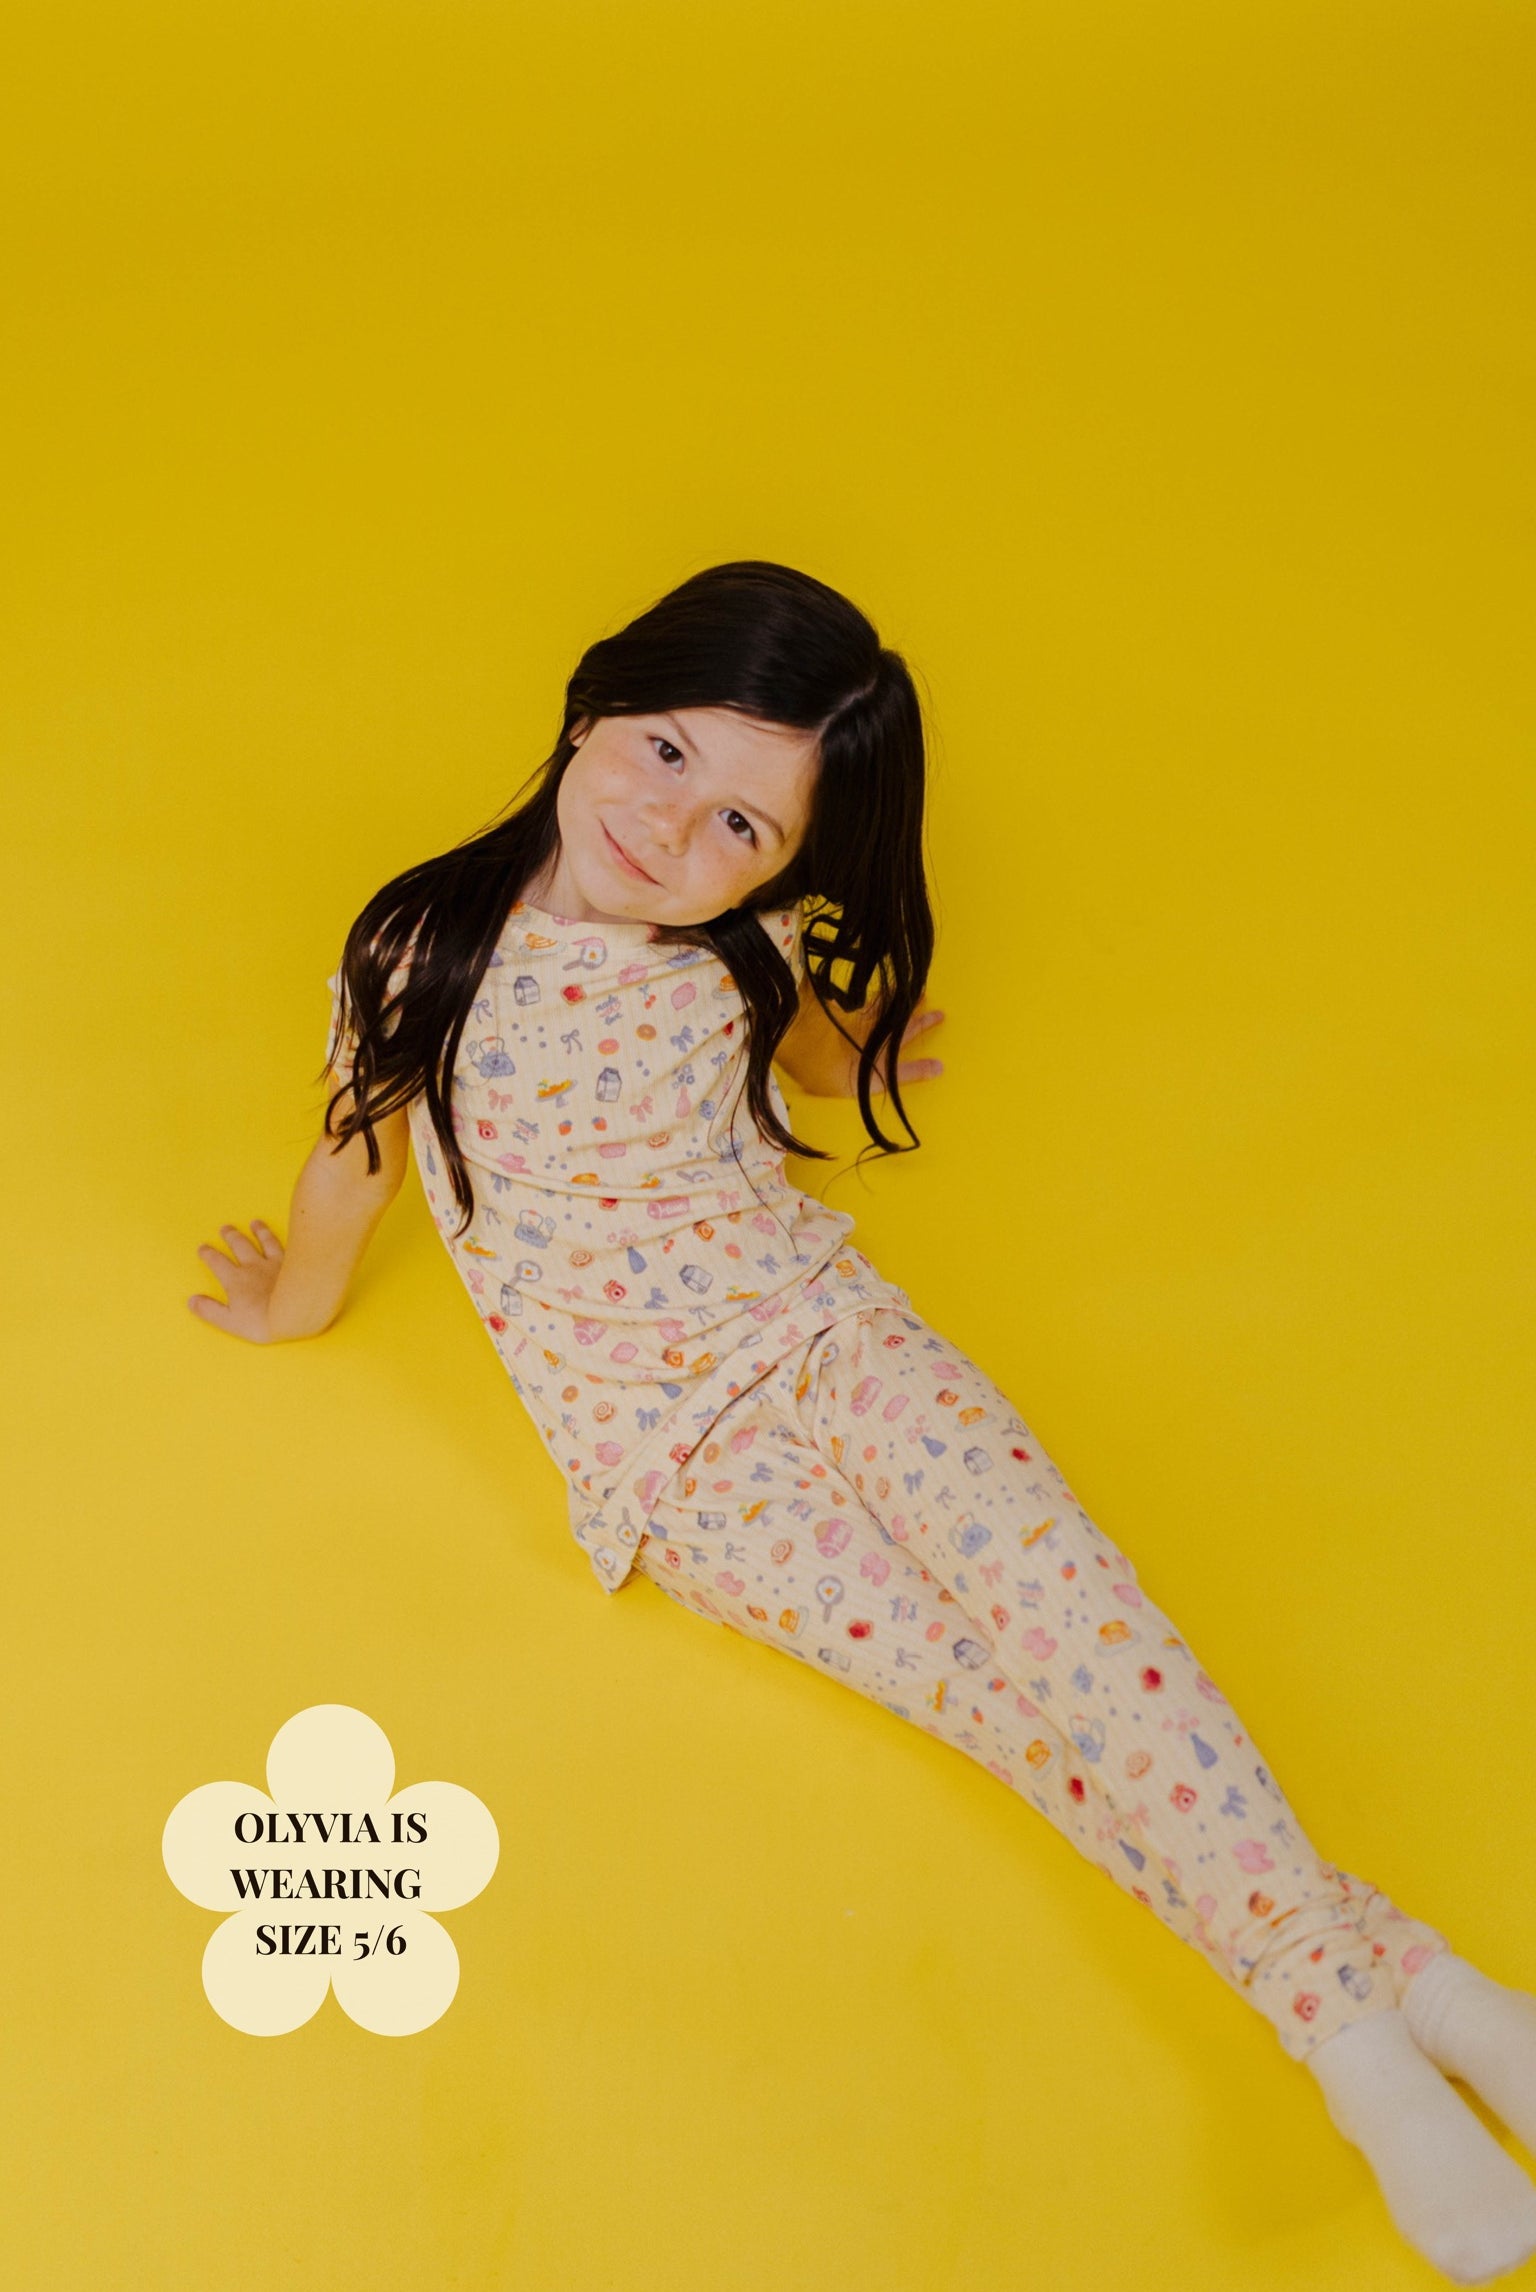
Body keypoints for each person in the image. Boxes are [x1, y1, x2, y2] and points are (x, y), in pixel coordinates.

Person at [190, 559, 1536, 2284]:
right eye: (666, 755)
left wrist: (861, 1054)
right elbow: (356, 1154)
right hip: (679, 1463)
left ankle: (1373, 2032)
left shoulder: (730, 946)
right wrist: (294, 1297)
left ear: (782, 863)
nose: (678, 835)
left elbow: (809, 1052)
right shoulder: (426, 945)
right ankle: (1398, 2005)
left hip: (830, 1335)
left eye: (747, 825)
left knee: (1089, 1624)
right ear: (595, 704)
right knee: (1012, 1716)